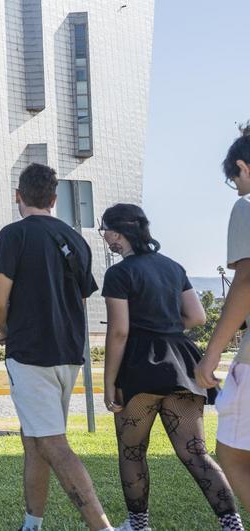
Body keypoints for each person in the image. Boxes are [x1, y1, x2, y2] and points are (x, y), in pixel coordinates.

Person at [100, 203, 243, 531]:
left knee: (132, 452)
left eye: (105, 229)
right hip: (181, 364)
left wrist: (109, 383)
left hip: (139, 367)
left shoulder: (119, 273)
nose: (104, 236)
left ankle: (139, 525)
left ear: (118, 233)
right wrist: (163, 324)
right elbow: (197, 317)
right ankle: (232, 525)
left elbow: (119, 331)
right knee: (196, 453)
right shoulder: (173, 267)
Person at [0, 164, 112, 531]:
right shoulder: (77, 239)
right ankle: (32, 523)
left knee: (53, 443)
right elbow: (83, 298)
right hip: (69, 351)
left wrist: (3, 330)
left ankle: (101, 526)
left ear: (18, 196)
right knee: (35, 440)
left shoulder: (12, 235)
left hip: (30, 353)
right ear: (54, 199)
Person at [197, 125, 250, 511]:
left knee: (231, 454)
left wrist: (212, 353)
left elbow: (246, 280)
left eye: (236, 182)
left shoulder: (246, 206)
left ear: (242, 168)